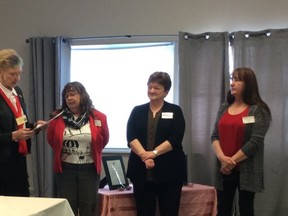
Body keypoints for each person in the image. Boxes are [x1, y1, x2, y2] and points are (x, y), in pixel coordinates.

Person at [211, 67, 271, 216]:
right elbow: (214, 136)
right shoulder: (224, 107)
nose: (232, 83)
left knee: (246, 209)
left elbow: (255, 141)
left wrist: (231, 161)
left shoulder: (258, 110)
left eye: (238, 80)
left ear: (248, 84)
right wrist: (222, 159)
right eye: (232, 79)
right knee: (223, 209)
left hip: (246, 168)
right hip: (223, 168)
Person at [126, 71, 186, 216]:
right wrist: (144, 156)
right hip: (141, 172)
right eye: (150, 87)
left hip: (170, 173)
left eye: (157, 88)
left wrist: (153, 153)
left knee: (169, 212)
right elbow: (131, 136)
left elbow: (175, 139)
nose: (152, 91)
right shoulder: (137, 111)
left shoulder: (175, 111)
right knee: (144, 212)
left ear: (166, 92)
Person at [47, 81, 109, 216]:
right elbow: (52, 140)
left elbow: (103, 140)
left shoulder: (99, 117)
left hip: (89, 169)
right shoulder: (56, 117)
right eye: (67, 96)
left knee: (88, 206)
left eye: (73, 94)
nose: (69, 98)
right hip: (65, 170)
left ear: (83, 96)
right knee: (68, 207)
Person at [0, 49, 46, 196]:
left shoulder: (17, 91)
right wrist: (13, 136)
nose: (17, 78)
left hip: (18, 160)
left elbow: (20, 122)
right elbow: (13, 131)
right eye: (12, 74)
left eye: (19, 73)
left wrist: (35, 126)